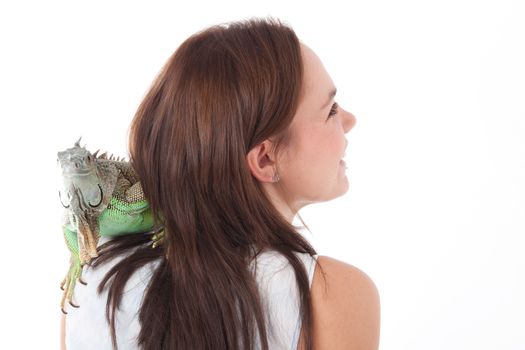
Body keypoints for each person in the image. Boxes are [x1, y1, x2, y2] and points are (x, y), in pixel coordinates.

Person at [61, 16, 380, 350]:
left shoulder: (92, 282)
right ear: (266, 159)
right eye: (330, 110)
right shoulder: (333, 295)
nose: (349, 120)